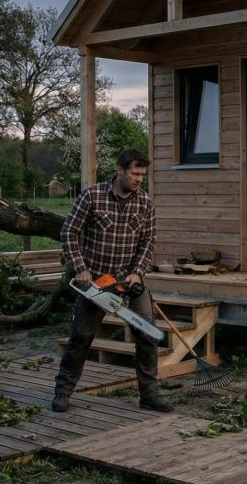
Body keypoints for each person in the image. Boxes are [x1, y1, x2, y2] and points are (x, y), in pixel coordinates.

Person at [52, 148, 173, 413]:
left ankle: (150, 394)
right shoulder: (92, 196)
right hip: (96, 281)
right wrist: (80, 269)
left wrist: (138, 272)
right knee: (81, 336)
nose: (139, 179)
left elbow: (148, 241)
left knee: (147, 335)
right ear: (120, 169)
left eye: (142, 174)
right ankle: (63, 391)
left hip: (129, 279)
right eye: (134, 173)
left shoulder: (145, 203)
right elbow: (69, 231)